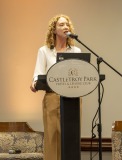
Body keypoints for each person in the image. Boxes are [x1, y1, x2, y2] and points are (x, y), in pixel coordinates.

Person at [30, 14, 81, 160]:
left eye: (67, 24)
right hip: (52, 97)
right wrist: (34, 83)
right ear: (53, 29)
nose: (65, 27)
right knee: (52, 137)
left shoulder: (76, 51)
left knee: (71, 136)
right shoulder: (44, 51)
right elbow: (38, 74)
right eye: (61, 25)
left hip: (72, 99)